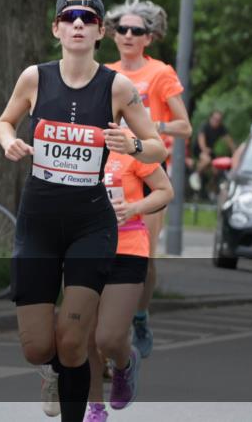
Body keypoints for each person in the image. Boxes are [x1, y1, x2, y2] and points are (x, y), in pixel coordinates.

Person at [0, 0, 166, 422]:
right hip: (38, 222)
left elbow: (155, 148)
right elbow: (4, 121)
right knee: (37, 346)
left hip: (91, 225)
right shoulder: (35, 77)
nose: (77, 24)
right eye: (69, 17)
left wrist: (131, 143)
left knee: (74, 341)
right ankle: (53, 374)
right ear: (56, 28)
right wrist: (9, 142)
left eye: (87, 19)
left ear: (99, 32)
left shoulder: (118, 87)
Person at [104, 0, 191, 359]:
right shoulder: (104, 73)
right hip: (110, 167)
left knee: (143, 256)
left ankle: (138, 316)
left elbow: (184, 126)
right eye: (121, 28)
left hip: (148, 168)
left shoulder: (160, 73)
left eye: (135, 30)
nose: (127, 35)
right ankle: (109, 339)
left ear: (149, 37)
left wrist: (149, 126)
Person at [83, 141, 174, 422]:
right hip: (82, 247)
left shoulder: (128, 144)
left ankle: (124, 362)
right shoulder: (74, 140)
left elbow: (165, 190)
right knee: (84, 334)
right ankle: (94, 408)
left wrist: (134, 207)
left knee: (108, 338)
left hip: (127, 247)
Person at [191, 110, 236, 190]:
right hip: (199, 150)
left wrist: (234, 152)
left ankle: (210, 188)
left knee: (217, 170)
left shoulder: (221, 128)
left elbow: (229, 141)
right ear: (210, 118)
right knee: (207, 160)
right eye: (215, 119)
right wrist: (204, 149)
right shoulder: (205, 126)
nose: (216, 122)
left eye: (218, 120)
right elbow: (201, 139)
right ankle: (195, 174)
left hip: (210, 151)